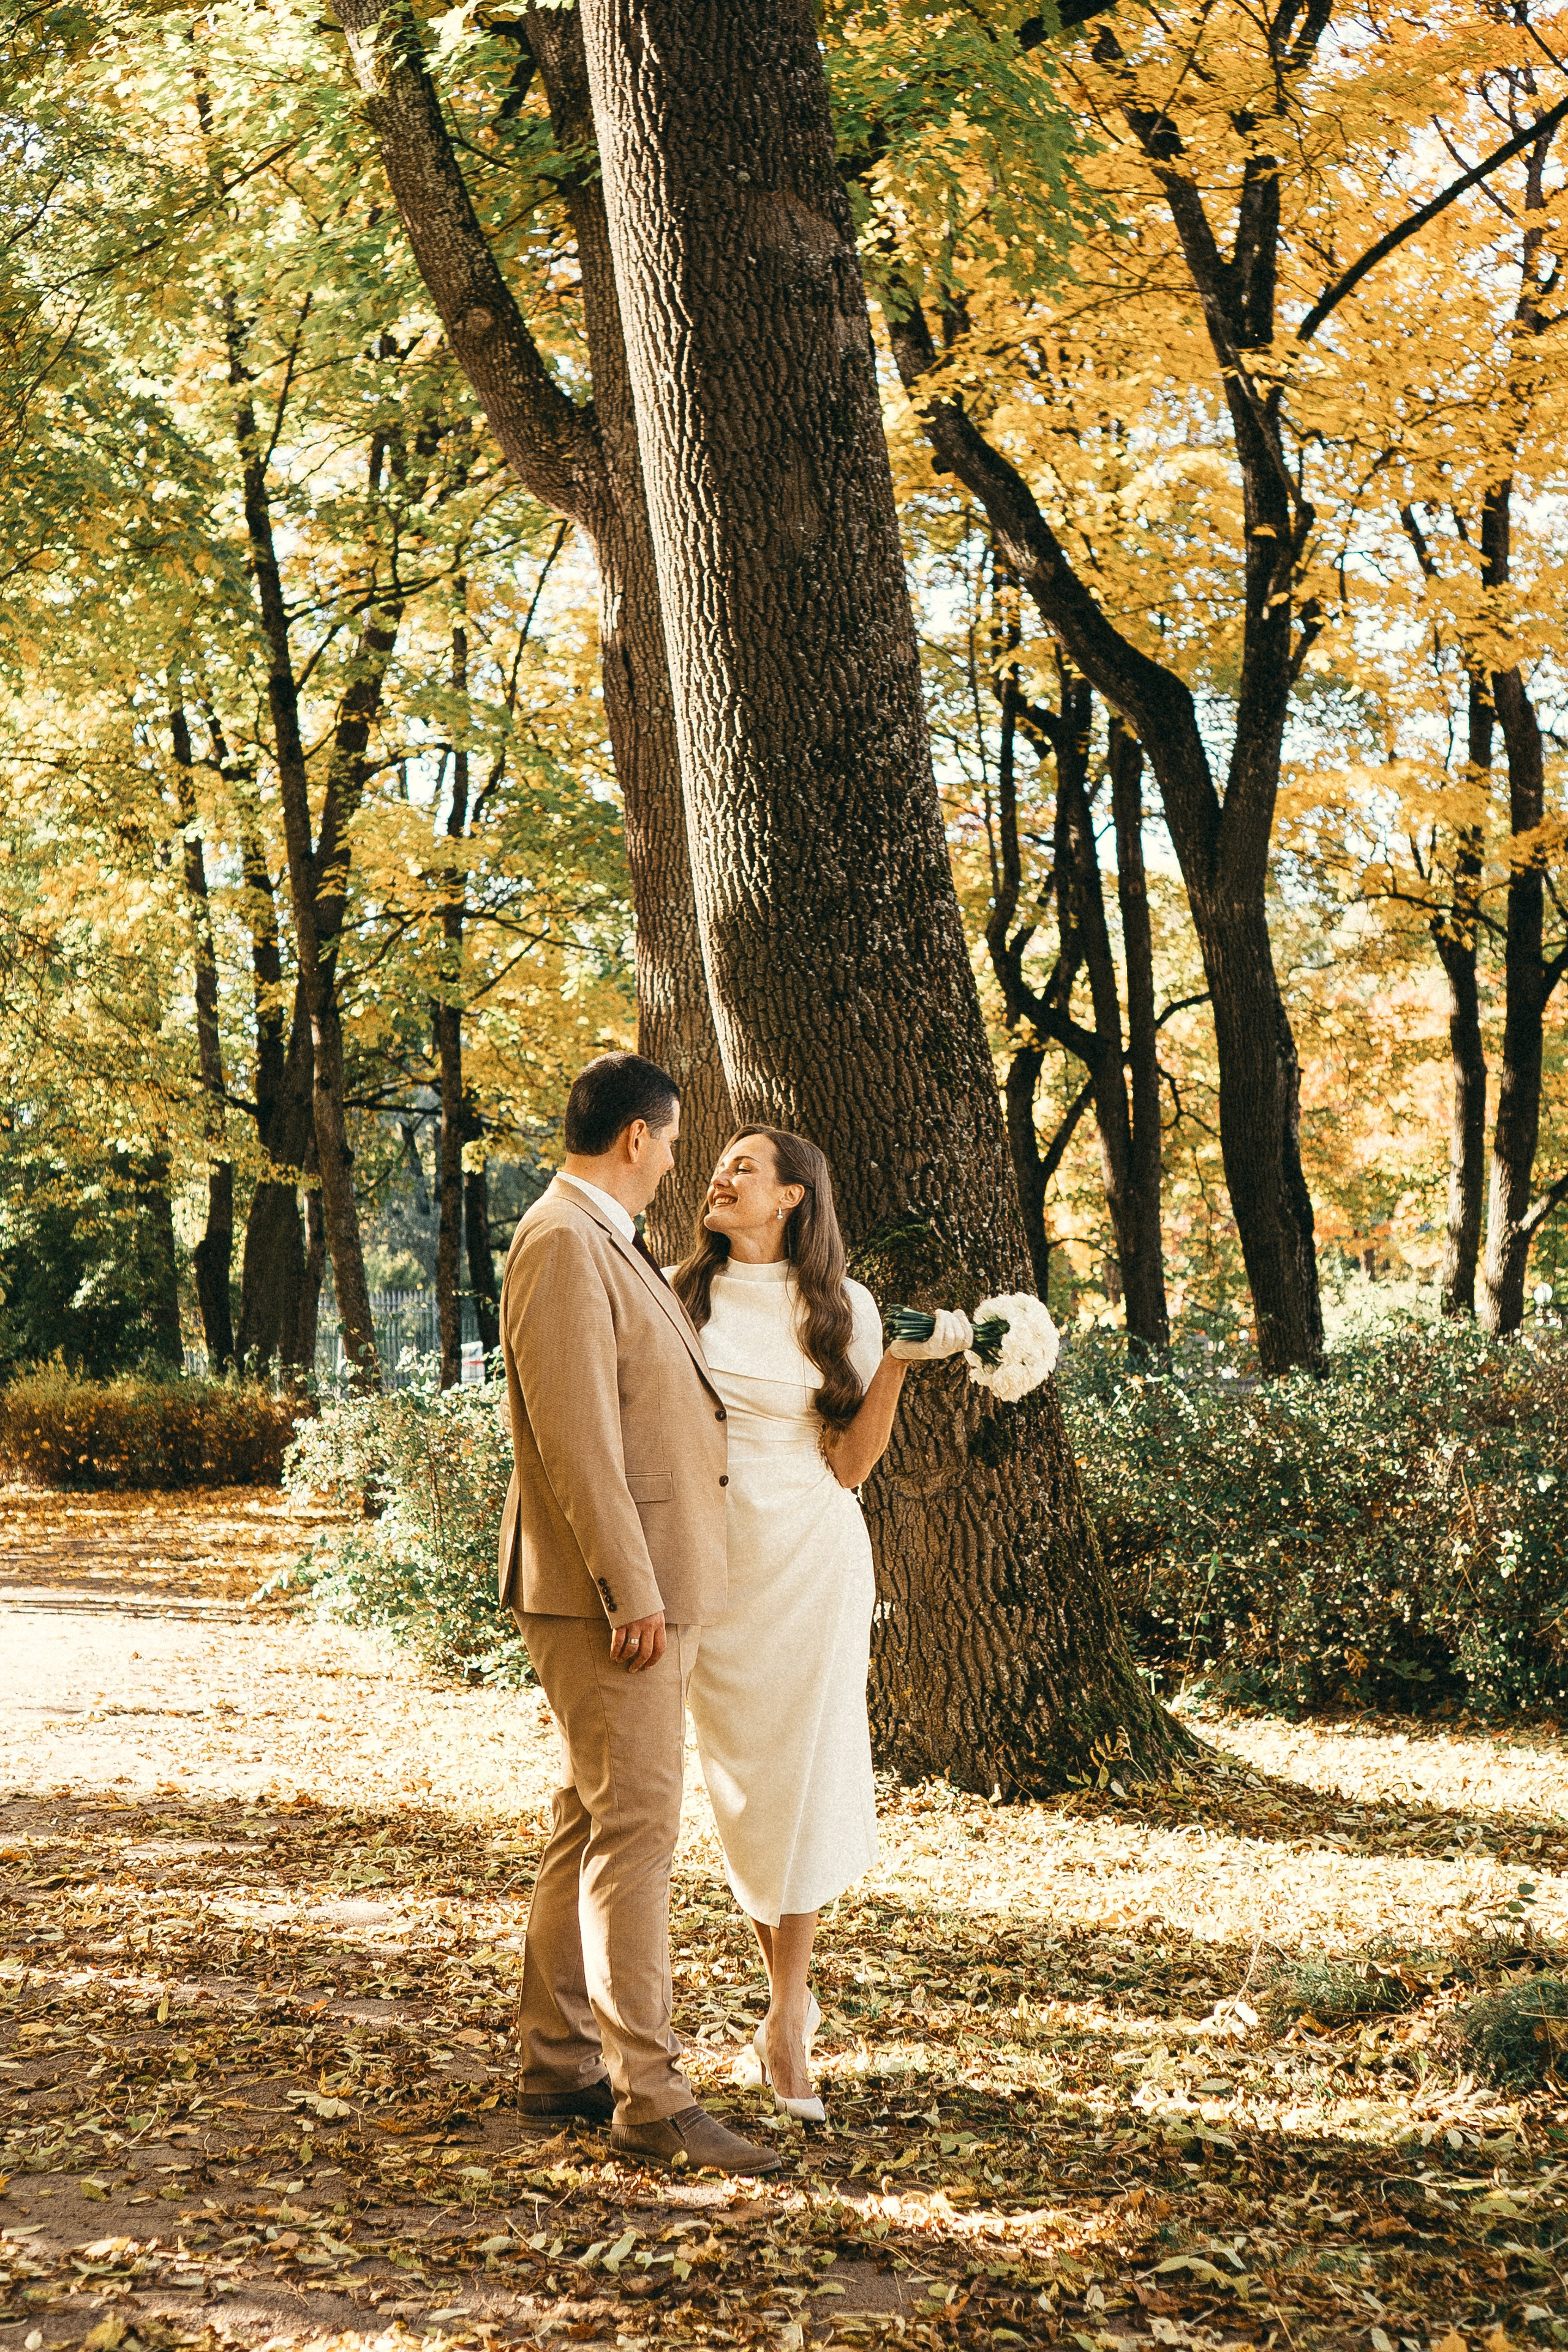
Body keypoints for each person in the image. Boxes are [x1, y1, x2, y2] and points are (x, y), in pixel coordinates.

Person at [498, 1052, 781, 2177]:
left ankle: (559, 2060)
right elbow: (576, 1439)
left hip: (629, 1589)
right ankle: (651, 2096)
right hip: (608, 1597)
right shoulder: (565, 1243)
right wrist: (632, 1590)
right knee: (638, 1834)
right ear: (636, 1139)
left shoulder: (604, 1243)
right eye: (671, 1140)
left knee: (592, 1817)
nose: (676, 1159)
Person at [669, 1128, 970, 2122]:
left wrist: (896, 1366)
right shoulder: (681, 1293)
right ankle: (774, 2005)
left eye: (744, 1166)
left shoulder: (843, 1310)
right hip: (715, 1565)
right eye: (718, 1162)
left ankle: (788, 2010)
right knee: (742, 1782)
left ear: (794, 1196)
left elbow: (849, 1465)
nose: (721, 1174)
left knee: (800, 1777)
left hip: (814, 1556)